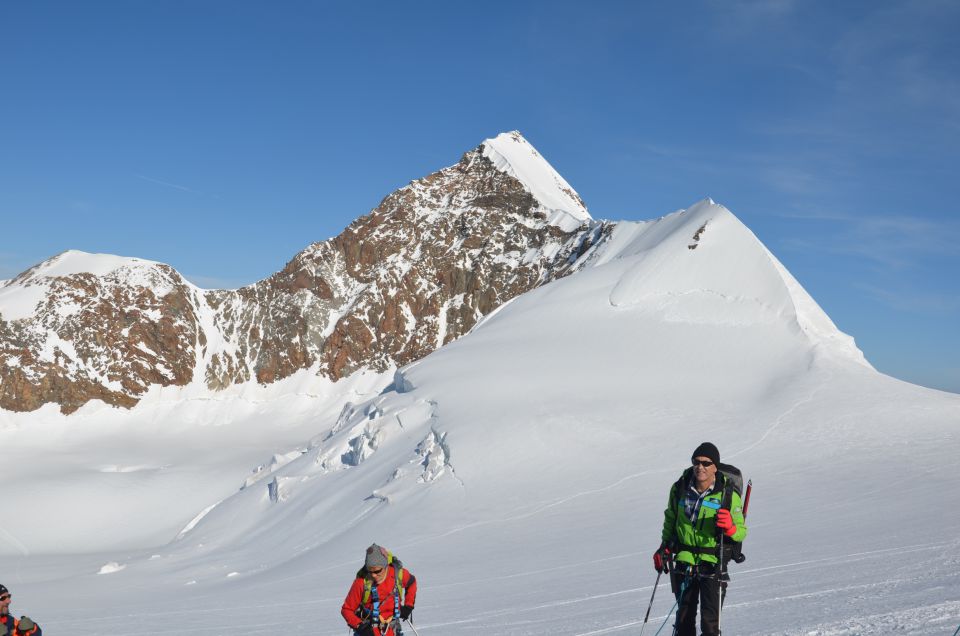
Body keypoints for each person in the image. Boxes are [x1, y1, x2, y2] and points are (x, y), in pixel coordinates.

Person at [653, 442, 747, 636]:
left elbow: (741, 532)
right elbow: (671, 519)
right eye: (696, 462)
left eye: (706, 463)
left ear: (715, 467)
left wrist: (730, 526)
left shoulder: (727, 494)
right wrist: (664, 547)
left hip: (713, 562)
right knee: (684, 621)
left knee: (710, 624)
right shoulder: (680, 488)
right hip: (684, 560)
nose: (700, 467)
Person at [341, 543, 417, 636]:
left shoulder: (398, 575)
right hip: (368, 631)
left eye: (377, 571)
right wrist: (361, 626)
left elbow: (412, 583)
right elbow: (346, 609)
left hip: (393, 630)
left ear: (386, 566)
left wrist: (408, 606)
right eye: (370, 571)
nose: (373, 575)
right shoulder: (361, 583)